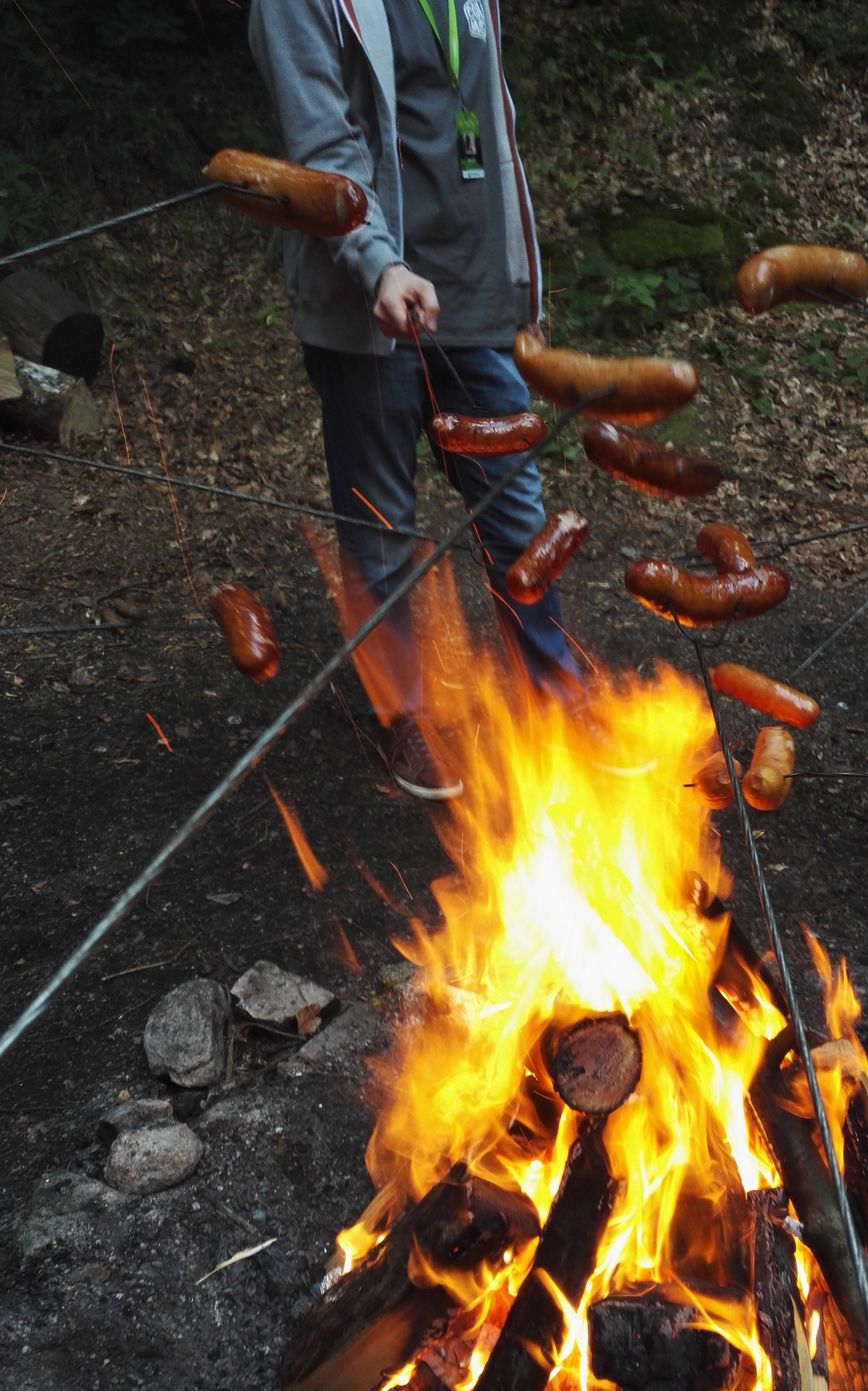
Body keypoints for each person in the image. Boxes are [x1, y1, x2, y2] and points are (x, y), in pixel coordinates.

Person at [249, 0, 579, 800]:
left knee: (518, 513)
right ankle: (405, 719)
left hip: (477, 297)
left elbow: (489, 126)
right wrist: (377, 263)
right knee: (381, 521)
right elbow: (321, 143)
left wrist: (520, 278)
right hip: (376, 298)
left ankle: (560, 700)